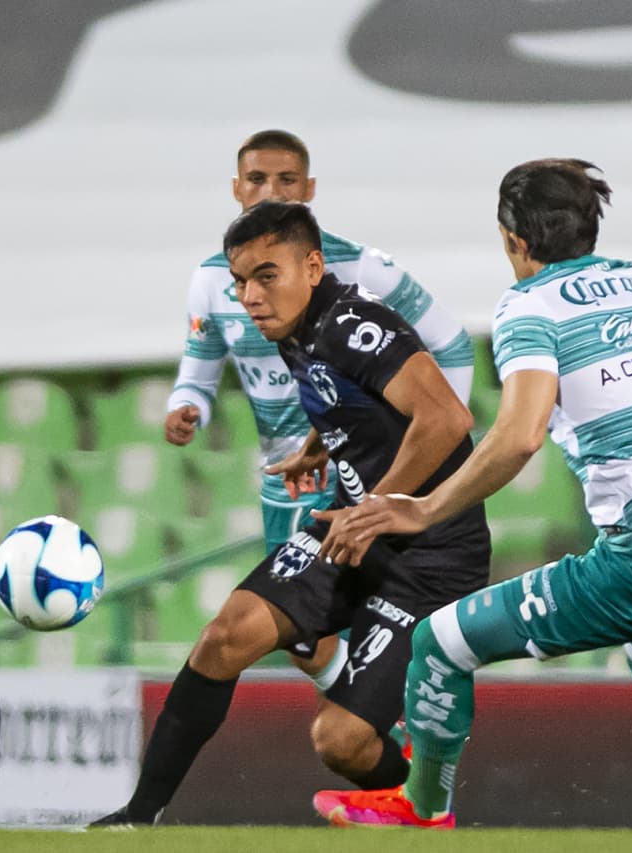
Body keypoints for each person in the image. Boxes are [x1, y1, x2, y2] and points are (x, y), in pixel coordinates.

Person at [310, 159, 632, 830]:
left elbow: (521, 434)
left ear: (512, 240)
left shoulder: (529, 308)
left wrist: (425, 506)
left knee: (440, 642)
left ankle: (422, 809)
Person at [90, 201, 491, 827]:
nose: (250, 295)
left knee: (340, 743)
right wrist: (320, 444)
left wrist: (375, 506)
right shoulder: (297, 326)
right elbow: (350, 398)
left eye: (266, 275)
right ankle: (140, 817)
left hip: (430, 556)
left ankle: (423, 812)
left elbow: (447, 418)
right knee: (225, 637)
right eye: (240, 280)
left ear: (312, 265)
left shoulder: (354, 322)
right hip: (353, 525)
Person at [164, 129, 475, 689]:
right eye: (256, 179)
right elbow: (201, 361)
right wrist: (188, 405)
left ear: (308, 189)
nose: (269, 190)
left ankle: (375, 739)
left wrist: (424, 444)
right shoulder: (214, 279)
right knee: (301, 641)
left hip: (370, 481)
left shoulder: (361, 267)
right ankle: (364, 729)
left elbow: (451, 347)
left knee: (367, 626)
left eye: (285, 180)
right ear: (236, 188)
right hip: (287, 481)